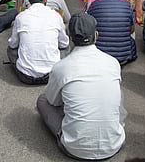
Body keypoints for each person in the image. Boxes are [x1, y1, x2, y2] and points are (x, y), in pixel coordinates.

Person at [37, 12, 126, 160]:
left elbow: (53, 102)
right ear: (96, 35)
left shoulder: (61, 67)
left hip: (74, 149)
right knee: (116, 95)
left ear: (70, 37)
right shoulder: (112, 63)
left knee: (42, 100)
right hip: (114, 144)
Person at [7, 0, 69, 84]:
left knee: (10, 50)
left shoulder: (21, 17)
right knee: (66, 48)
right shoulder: (56, 16)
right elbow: (64, 44)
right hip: (52, 75)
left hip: (25, 76)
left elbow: (13, 45)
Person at [88, 0, 136, 65]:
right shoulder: (126, 4)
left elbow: (90, 29)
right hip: (124, 56)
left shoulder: (94, 5)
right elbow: (131, 29)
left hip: (100, 55)